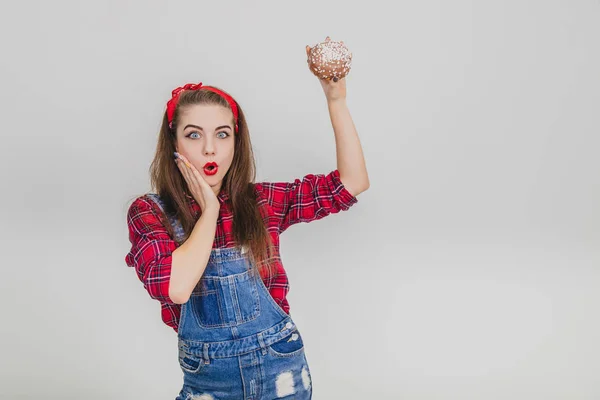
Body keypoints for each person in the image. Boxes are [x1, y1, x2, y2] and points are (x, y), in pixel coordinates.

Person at [124, 43, 369, 400]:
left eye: (222, 134)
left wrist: (336, 101)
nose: (210, 149)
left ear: (236, 143)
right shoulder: (150, 213)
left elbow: (352, 183)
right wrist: (208, 211)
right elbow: (175, 287)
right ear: (173, 141)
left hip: (281, 372)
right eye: (194, 134)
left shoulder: (262, 202)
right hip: (209, 384)